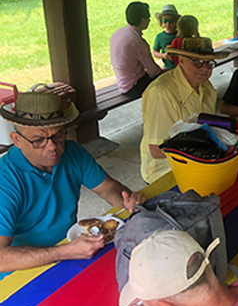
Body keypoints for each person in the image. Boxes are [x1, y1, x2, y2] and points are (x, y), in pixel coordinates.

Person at [0, 91, 145, 280]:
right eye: (38, 140)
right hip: (21, 274)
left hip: (69, 252)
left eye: (58, 135)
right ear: (17, 140)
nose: (52, 146)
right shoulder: (6, 180)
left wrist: (126, 199)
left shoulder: (72, 153)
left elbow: (108, 188)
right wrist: (63, 252)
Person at [140, 37, 228, 184]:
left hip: (199, 164)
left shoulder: (206, 87)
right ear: (181, 60)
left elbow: (207, 127)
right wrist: (204, 152)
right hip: (164, 173)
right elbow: (157, 150)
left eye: (209, 63)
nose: (205, 69)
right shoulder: (161, 93)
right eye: (197, 62)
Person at [110, 1, 163, 98]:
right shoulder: (137, 42)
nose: (149, 21)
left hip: (122, 82)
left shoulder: (118, 32)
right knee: (168, 80)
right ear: (143, 21)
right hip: (133, 87)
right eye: (148, 18)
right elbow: (153, 71)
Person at [152, 4, 180, 70]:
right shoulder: (160, 37)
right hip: (167, 67)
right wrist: (163, 56)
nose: (168, 24)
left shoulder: (180, 35)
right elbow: (155, 52)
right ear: (161, 21)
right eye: (165, 21)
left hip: (180, 67)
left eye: (171, 21)